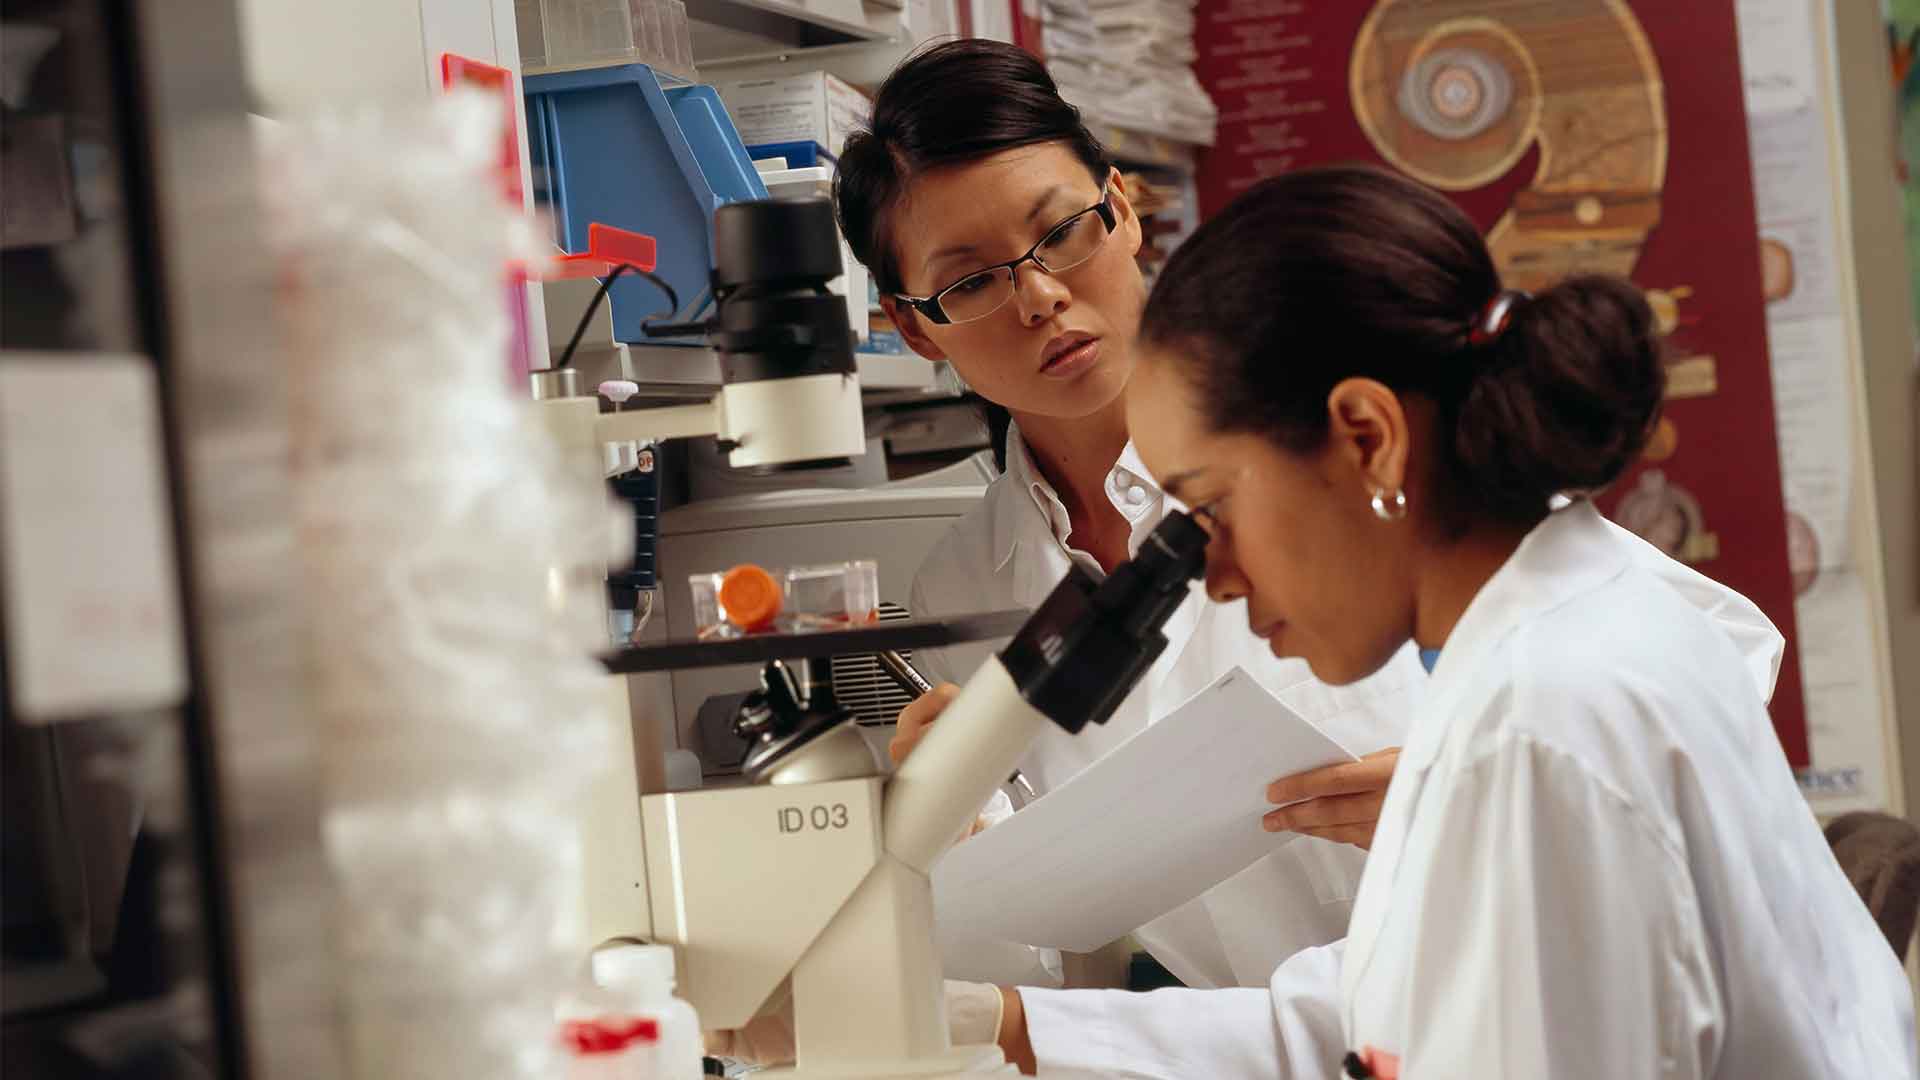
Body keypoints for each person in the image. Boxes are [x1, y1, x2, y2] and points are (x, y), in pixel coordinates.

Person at [832, 38, 1786, 992]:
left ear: (1122, 209)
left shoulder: (1329, 435)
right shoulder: (957, 588)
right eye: (969, 282)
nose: (1040, 296)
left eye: (1063, 233)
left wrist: (1481, 784)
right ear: (913, 326)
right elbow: (1054, 947)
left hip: (1489, 980)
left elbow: (1718, 657)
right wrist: (958, 835)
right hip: (1263, 1041)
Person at [984, 165, 1916, 1077]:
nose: (1215, 579)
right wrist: (1007, 1025)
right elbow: (1391, 1024)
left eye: (1214, 509)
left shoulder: (1539, 720)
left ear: (1368, 438)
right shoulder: (1553, 630)